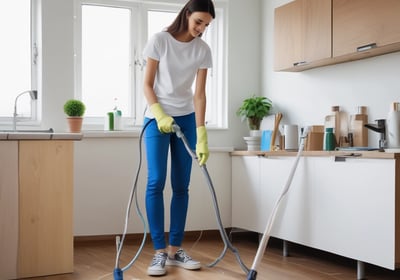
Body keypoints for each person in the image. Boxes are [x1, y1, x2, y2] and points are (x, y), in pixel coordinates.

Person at [142, 0, 216, 277]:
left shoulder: (202, 50)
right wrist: (159, 114)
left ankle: (175, 250)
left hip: (186, 118)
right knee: (156, 181)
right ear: (187, 15)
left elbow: (199, 94)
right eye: (199, 21)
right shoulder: (160, 40)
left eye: (206, 25)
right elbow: (147, 84)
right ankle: (159, 252)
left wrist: (202, 132)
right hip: (156, 117)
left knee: (182, 185)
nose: (201, 29)